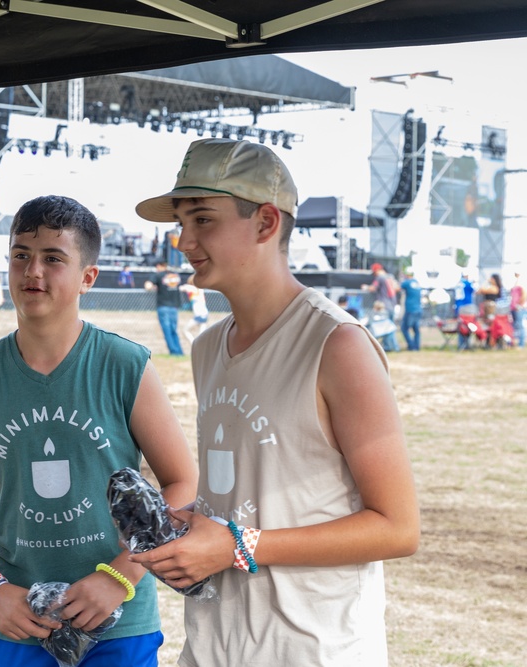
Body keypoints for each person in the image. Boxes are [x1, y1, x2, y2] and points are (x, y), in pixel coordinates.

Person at [130, 138, 419, 666]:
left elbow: (397, 527)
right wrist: (186, 526)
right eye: (180, 222)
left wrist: (236, 546)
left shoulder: (337, 345)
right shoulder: (207, 348)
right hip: (213, 646)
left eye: (202, 220)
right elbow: (251, 493)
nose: (182, 240)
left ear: (266, 223)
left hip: (311, 650)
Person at [0, 195, 198, 667]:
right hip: (16, 622)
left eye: (53, 258)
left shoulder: (124, 365)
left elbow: (182, 480)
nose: (33, 271)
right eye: (20, 255)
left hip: (118, 619)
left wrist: (121, 576)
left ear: (87, 277)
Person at [144, 260, 185, 355]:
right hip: (174, 307)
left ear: (159, 266)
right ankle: (179, 351)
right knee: (174, 330)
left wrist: (150, 287)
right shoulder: (175, 276)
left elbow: (148, 285)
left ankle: (174, 352)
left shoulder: (158, 275)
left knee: (167, 331)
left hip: (163, 306)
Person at [399, 268, 424, 351]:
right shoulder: (416, 282)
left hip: (410, 309)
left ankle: (411, 346)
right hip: (418, 309)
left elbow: (397, 288)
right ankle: (416, 346)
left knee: (404, 328)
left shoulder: (407, 282)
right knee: (416, 329)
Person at [180, 274, 209, 343]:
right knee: (201, 334)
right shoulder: (201, 289)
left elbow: (181, 288)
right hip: (205, 313)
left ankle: (193, 343)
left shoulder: (190, 288)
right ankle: (199, 346)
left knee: (185, 330)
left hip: (198, 314)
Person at [510, 271, 526, 348]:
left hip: (519, 308)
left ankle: (521, 344)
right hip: (514, 308)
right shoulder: (515, 282)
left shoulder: (522, 282)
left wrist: (519, 305)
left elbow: (525, 295)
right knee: (515, 326)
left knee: (520, 326)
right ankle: (515, 343)